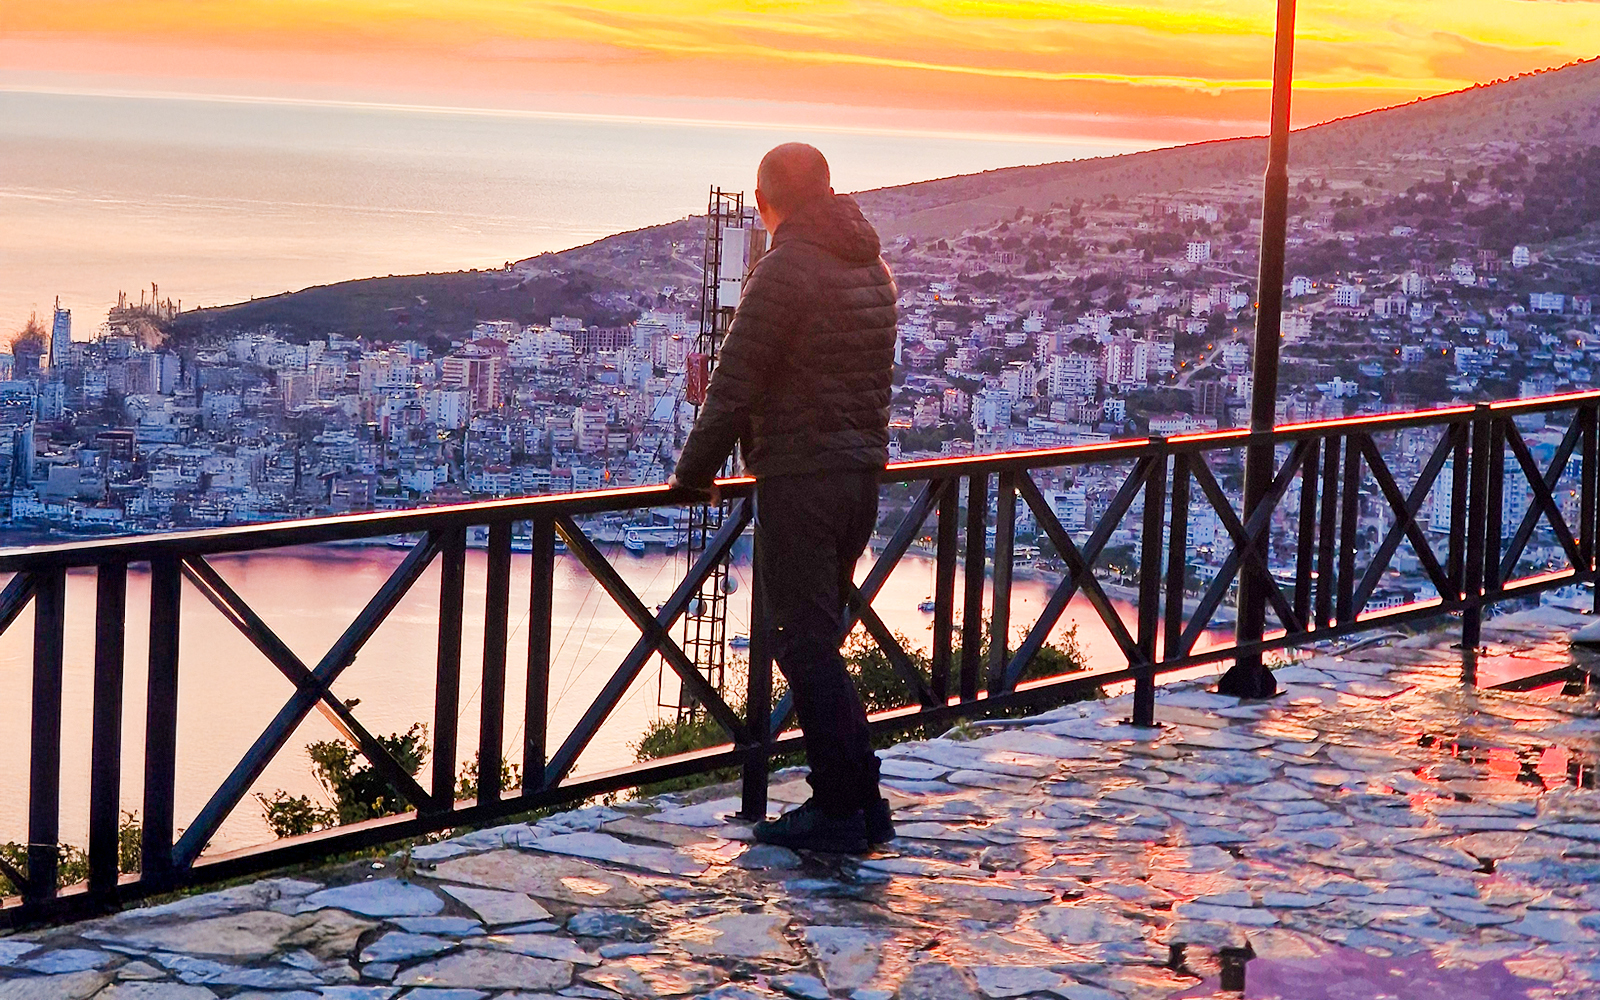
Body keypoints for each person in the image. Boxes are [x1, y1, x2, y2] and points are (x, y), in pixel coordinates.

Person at [667, 143, 897, 853]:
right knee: (816, 640)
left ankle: (842, 807)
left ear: (768, 201)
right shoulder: (872, 266)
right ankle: (861, 800)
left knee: (801, 643)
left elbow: (736, 383)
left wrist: (692, 474)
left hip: (803, 479)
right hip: (861, 478)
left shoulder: (787, 267)